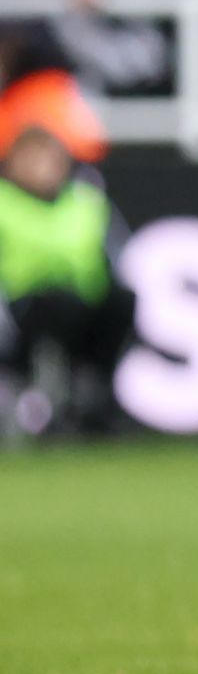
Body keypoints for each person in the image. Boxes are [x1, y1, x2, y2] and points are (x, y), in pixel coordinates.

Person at [0, 78, 130, 440]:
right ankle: (45, 398)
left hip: (82, 301)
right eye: (32, 156)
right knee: (61, 305)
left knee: (119, 301)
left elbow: (116, 256)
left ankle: (91, 396)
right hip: (21, 306)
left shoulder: (85, 200)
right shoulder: (4, 201)